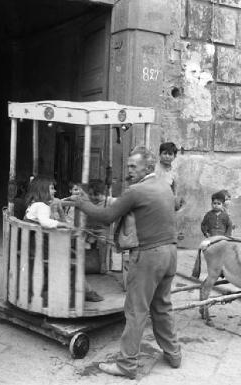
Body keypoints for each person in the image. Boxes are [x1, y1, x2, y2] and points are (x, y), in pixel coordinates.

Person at [70, 147, 181, 379]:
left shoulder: (136, 191)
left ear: (148, 168)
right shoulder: (164, 185)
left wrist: (81, 203)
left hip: (149, 256)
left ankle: (127, 365)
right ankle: (174, 354)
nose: (128, 170)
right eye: (128, 165)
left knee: (135, 311)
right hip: (170, 253)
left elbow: (107, 216)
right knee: (161, 305)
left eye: (133, 166)